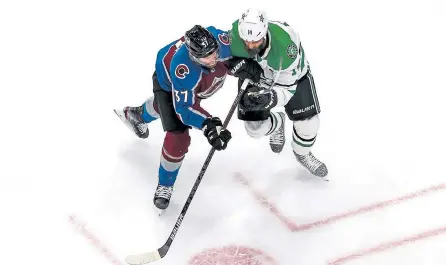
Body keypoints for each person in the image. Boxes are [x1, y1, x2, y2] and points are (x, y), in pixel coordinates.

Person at [114, 25, 261, 210]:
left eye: (214, 52)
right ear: (193, 56)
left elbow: (239, 49)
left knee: (164, 107)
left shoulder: (221, 40)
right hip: (167, 83)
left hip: (193, 82)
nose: (214, 57)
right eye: (207, 56)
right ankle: (165, 184)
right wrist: (208, 124)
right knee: (178, 136)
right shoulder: (182, 69)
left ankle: (136, 115)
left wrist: (244, 62)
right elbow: (185, 109)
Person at [228, 8, 328, 178]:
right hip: (255, 76)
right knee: (254, 128)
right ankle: (277, 124)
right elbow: (218, 61)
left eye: (256, 41)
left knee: (309, 124)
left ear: (265, 32)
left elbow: (288, 89)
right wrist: (234, 66)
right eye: (247, 42)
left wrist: (270, 98)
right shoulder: (234, 36)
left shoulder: (286, 48)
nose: (250, 46)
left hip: (291, 78)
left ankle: (302, 154)